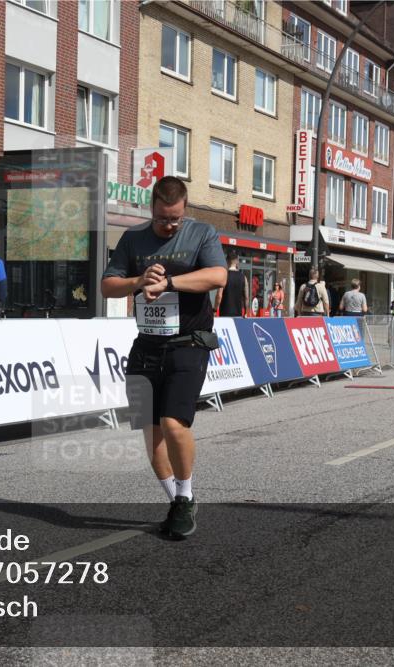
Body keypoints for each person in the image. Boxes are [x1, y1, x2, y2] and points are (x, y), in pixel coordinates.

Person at [101, 176, 228, 540]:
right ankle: (178, 502)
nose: (169, 225)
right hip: (146, 347)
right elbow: (107, 285)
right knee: (152, 433)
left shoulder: (201, 233)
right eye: (162, 219)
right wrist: (139, 281)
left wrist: (169, 283)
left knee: (173, 423)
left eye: (175, 219)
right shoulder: (133, 239)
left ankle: (185, 495)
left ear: (184, 210)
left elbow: (218, 276)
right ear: (151, 209)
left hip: (188, 343)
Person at [215, 252, 249, 317]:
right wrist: (246, 312)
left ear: (227, 261)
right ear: (237, 262)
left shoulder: (224, 276)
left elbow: (219, 295)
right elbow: (246, 297)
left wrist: (215, 310)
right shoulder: (244, 277)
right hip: (238, 314)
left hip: (225, 314)